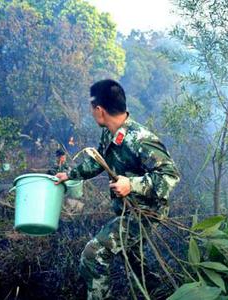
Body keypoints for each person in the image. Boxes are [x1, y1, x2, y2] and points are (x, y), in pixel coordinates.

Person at [55, 79, 180, 299]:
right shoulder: (110, 133)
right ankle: (160, 292)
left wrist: (130, 184)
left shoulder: (141, 140)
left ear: (100, 110)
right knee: (133, 259)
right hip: (128, 209)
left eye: (92, 109)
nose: (92, 113)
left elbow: (170, 177)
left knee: (94, 254)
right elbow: (99, 161)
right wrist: (70, 175)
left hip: (145, 214)